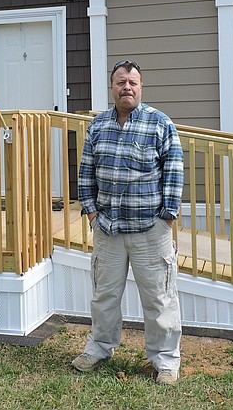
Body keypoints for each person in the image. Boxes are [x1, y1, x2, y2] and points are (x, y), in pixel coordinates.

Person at [71, 59, 184, 385]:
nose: (127, 87)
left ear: (140, 87)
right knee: (104, 296)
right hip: (108, 230)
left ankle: (165, 362)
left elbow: (174, 173)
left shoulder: (159, 124)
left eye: (132, 82)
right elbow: (86, 173)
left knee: (160, 298)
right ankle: (99, 348)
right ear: (112, 87)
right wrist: (92, 213)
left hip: (151, 230)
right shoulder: (98, 126)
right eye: (121, 82)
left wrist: (166, 218)